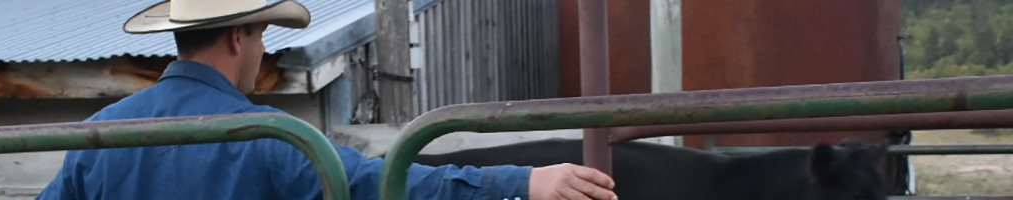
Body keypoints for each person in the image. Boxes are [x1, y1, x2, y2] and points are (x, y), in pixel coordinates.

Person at [35, 0, 619, 199]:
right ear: (240, 36)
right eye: (262, 34)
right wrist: (521, 183)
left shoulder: (100, 135)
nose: (262, 50)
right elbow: (384, 184)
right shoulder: (272, 139)